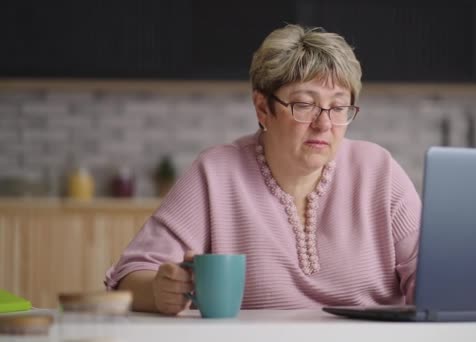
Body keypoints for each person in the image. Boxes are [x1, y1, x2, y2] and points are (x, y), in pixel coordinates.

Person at [105, 24, 421, 315]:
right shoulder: (217, 173)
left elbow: (432, 280)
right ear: (262, 108)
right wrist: (160, 291)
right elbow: (130, 277)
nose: (324, 124)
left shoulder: (380, 172)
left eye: (338, 107)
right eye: (304, 105)